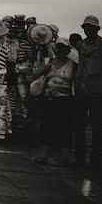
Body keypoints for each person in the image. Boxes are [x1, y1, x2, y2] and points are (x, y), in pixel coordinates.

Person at [73, 15, 102, 168]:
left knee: (98, 127)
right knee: (79, 126)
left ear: (96, 29)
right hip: (81, 89)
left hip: (99, 90)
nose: (88, 30)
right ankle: (79, 159)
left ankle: (95, 160)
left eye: (91, 27)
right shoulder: (80, 45)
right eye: (86, 27)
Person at [31, 37, 76, 166]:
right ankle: (44, 156)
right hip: (47, 98)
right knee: (46, 128)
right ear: (56, 48)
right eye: (59, 47)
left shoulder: (72, 65)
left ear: (68, 50)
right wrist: (45, 69)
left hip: (64, 100)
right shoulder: (48, 61)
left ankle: (63, 157)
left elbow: (76, 82)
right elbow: (35, 75)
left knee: (62, 129)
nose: (61, 50)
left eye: (64, 48)